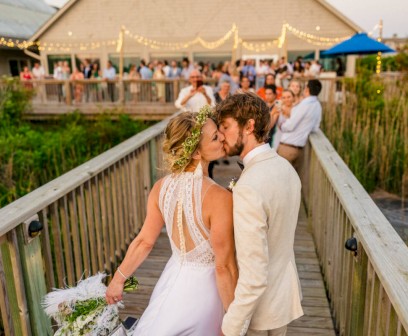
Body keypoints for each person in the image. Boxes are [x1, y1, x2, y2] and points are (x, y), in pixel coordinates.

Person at [106, 108, 238, 335]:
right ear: (196, 153)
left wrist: (118, 280)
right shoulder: (219, 197)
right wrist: (235, 318)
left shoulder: (161, 188)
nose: (223, 138)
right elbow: (223, 266)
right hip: (204, 293)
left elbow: (144, 241)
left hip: (172, 281)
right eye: (215, 137)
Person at [217, 93, 303, 336]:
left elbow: (253, 275)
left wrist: (230, 327)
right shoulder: (286, 168)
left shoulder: (249, 187)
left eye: (226, 126)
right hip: (281, 299)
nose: (221, 135)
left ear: (249, 126)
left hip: (258, 313)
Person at [276, 79, 322, 174]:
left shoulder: (304, 104)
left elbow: (290, 126)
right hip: (298, 149)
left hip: (287, 147)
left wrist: (281, 125)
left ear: (307, 89)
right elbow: (315, 128)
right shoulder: (318, 105)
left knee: (280, 178)